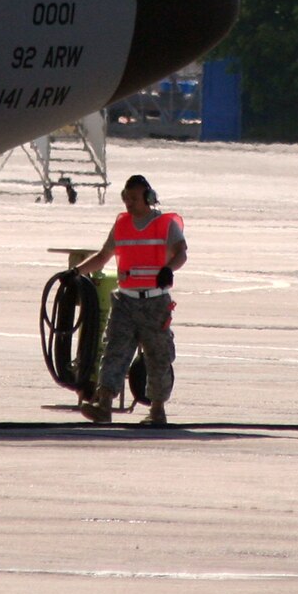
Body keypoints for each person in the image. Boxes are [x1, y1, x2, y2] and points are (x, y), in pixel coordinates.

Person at [73, 174, 186, 426]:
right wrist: (76, 272)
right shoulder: (121, 225)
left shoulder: (165, 225)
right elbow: (103, 256)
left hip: (154, 303)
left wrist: (169, 268)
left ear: (148, 198)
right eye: (126, 198)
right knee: (114, 351)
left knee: (158, 356)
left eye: (134, 198)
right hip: (125, 302)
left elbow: (181, 252)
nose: (129, 203)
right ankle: (104, 404)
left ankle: (157, 410)